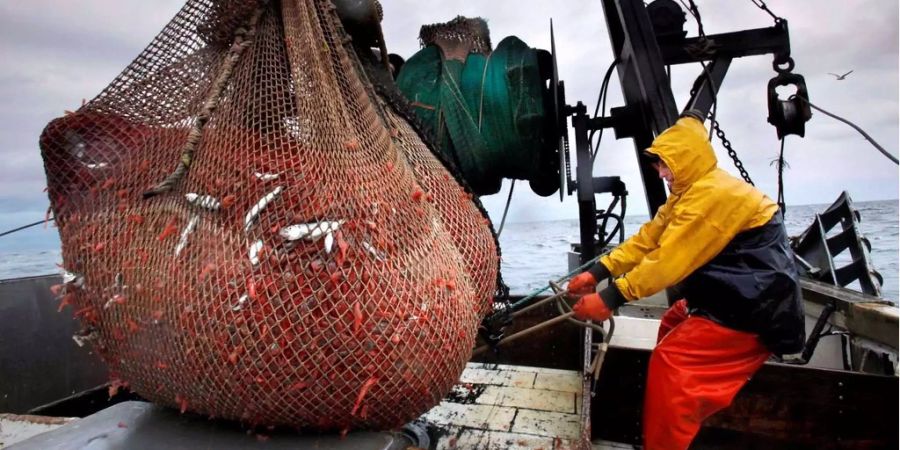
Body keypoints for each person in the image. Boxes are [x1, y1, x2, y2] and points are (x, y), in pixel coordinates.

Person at [566, 112, 805, 450]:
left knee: (672, 364)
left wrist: (609, 299)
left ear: (687, 158)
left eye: (666, 165)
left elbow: (668, 262)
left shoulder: (712, 197)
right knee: (674, 317)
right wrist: (598, 271)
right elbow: (649, 240)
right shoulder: (688, 192)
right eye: (659, 166)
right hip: (730, 295)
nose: (661, 173)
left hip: (754, 310)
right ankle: (666, 428)